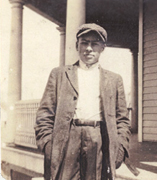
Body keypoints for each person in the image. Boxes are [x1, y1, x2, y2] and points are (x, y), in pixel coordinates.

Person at [35, 23, 138, 180]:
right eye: (84, 42)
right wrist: (48, 145)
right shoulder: (59, 75)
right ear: (77, 46)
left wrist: (121, 148)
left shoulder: (114, 80)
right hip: (67, 139)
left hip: (98, 139)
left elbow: (122, 119)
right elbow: (44, 114)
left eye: (94, 43)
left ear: (102, 48)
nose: (89, 48)